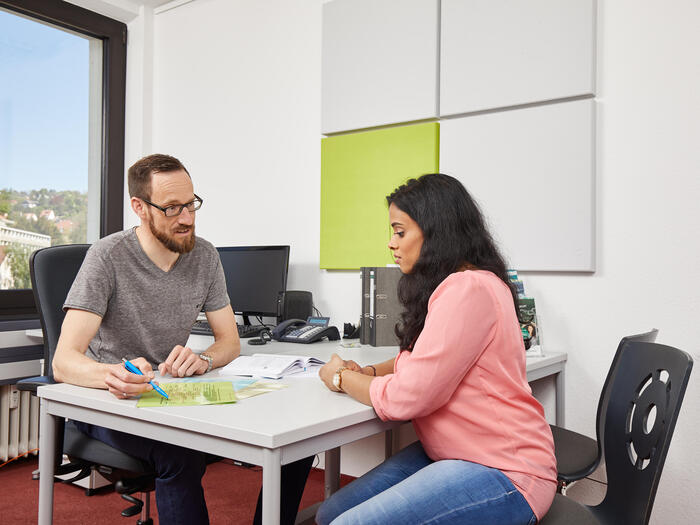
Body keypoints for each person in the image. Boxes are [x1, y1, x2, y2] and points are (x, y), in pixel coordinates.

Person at [52, 153, 313, 525]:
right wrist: (114, 374)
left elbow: (230, 341)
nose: (187, 218)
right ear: (140, 208)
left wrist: (203, 359)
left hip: (167, 395)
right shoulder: (107, 256)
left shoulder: (204, 256)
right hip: (105, 403)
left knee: (294, 439)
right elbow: (63, 361)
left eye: (191, 204)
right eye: (173, 208)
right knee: (180, 455)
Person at [317, 173, 557, 525]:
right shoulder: (468, 282)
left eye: (400, 232)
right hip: (458, 452)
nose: (391, 243)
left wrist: (339, 376)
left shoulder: (467, 289)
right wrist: (367, 373)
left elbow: (406, 399)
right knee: (329, 513)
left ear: (435, 232)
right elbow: (419, 360)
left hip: (507, 470)